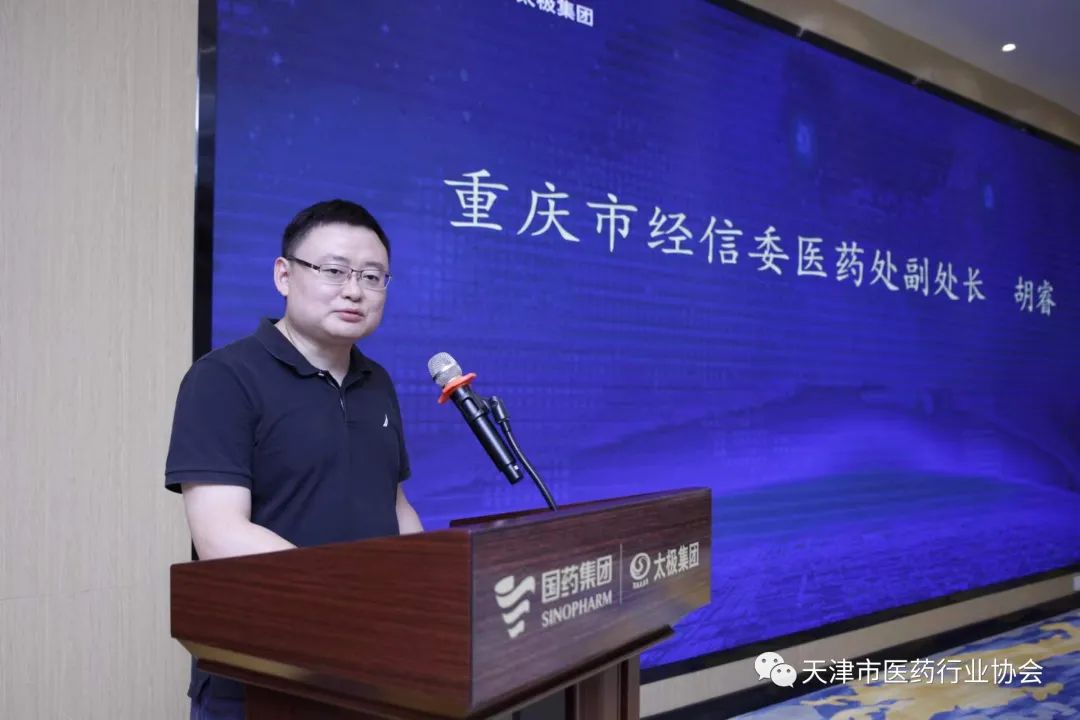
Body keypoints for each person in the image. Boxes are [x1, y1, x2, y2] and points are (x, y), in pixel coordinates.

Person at [164, 199, 422, 720]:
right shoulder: (224, 378)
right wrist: (348, 600)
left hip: (372, 668)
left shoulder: (378, 383)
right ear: (284, 275)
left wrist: (429, 593)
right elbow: (219, 534)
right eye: (334, 271)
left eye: (373, 277)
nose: (354, 290)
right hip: (260, 671)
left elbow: (393, 505)